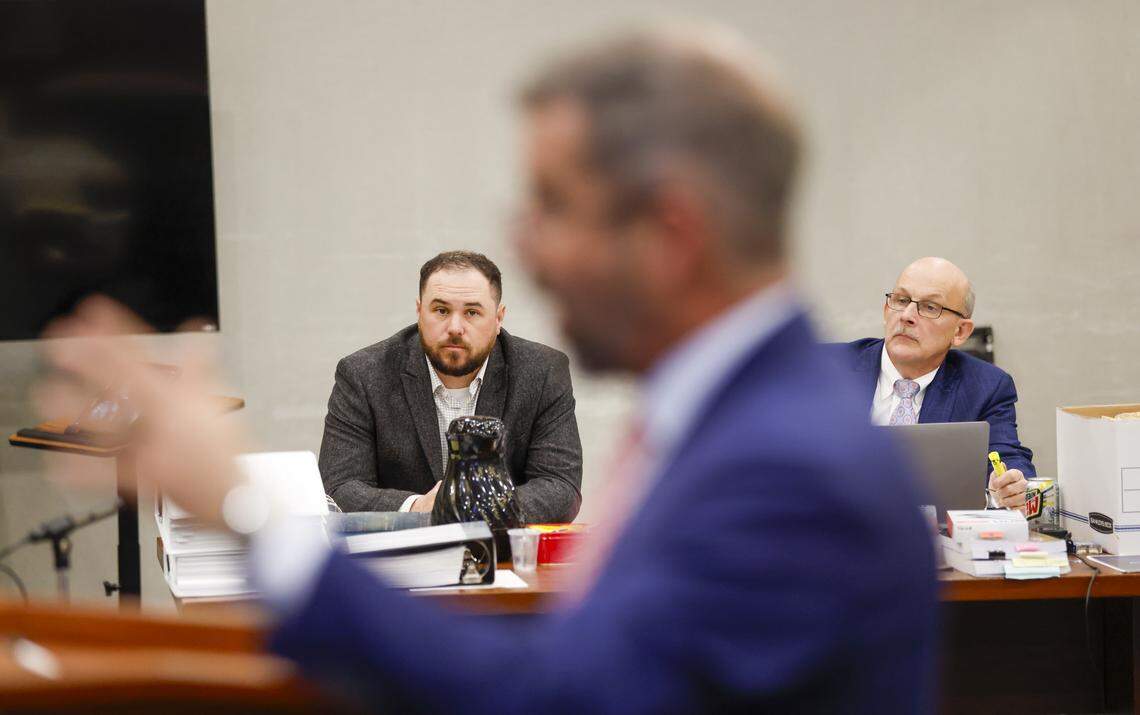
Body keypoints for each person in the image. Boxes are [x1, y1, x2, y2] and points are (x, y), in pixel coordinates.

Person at [42, 24, 938, 713]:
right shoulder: (744, 420)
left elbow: (549, 698)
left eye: (552, 205)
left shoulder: (785, 471)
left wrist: (240, 510)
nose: (527, 248)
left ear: (671, 234)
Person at [319, 250, 582, 523]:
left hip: (499, 544)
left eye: (472, 312)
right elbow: (338, 488)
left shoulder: (542, 372)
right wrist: (417, 507)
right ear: (420, 311)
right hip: (404, 546)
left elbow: (561, 487)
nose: (455, 327)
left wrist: (475, 507)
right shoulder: (363, 374)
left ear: (498, 318)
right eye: (441, 311)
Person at [837, 257, 1035, 509]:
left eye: (930, 307)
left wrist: (1010, 485)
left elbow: (1008, 458)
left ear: (960, 332)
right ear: (887, 310)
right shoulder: (824, 368)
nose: (907, 316)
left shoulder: (986, 387)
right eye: (901, 300)